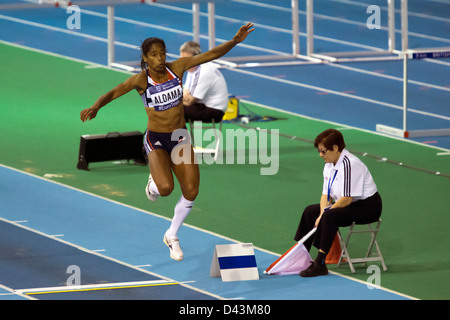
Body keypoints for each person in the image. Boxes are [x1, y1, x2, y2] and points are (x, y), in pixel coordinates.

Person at [80, 23, 255, 262]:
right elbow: (114, 92)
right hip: (157, 139)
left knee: (191, 191)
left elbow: (211, 54)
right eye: (154, 55)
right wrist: (96, 106)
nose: (160, 58)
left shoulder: (177, 68)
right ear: (145, 58)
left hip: (180, 137)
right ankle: (153, 183)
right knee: (165, 189)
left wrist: (235, 40)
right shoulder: (141, 80)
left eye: (162, 53)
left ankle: (172, 235)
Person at [294, 129, 382, 277]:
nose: (321, 155)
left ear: (335, 148)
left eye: (323, 151)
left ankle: (320, 263)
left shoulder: (351, 164)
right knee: (311, 211)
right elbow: (325, 195)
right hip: (348, 204)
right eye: (319, 151)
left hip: (367, 207)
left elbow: (347, 199)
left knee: (330, 216)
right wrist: (322, 213)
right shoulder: (329, 164)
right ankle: (301, 255)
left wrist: (325, 215)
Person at [180, 41, 229, 123]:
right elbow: (186, 92)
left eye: (186, 60)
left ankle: (177, 136)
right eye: (182, 59)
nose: (183, 62)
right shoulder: (192, 68)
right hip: (203, 105)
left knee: (172, 110)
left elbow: (189, 101)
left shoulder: (203, 71)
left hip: (214, 111)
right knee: (169, 108)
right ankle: (176, 135)